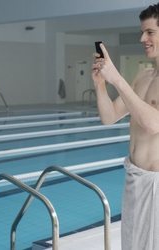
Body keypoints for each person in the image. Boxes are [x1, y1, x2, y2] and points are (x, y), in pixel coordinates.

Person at [92, 3, 159, 250]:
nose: (143, 38)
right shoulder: (143, 76)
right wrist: (101, 85)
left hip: (155, 185)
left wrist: (117, 79)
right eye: (142, 32)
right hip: (134, 180)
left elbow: (154, 124)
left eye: (150, 32)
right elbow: (109, 117)